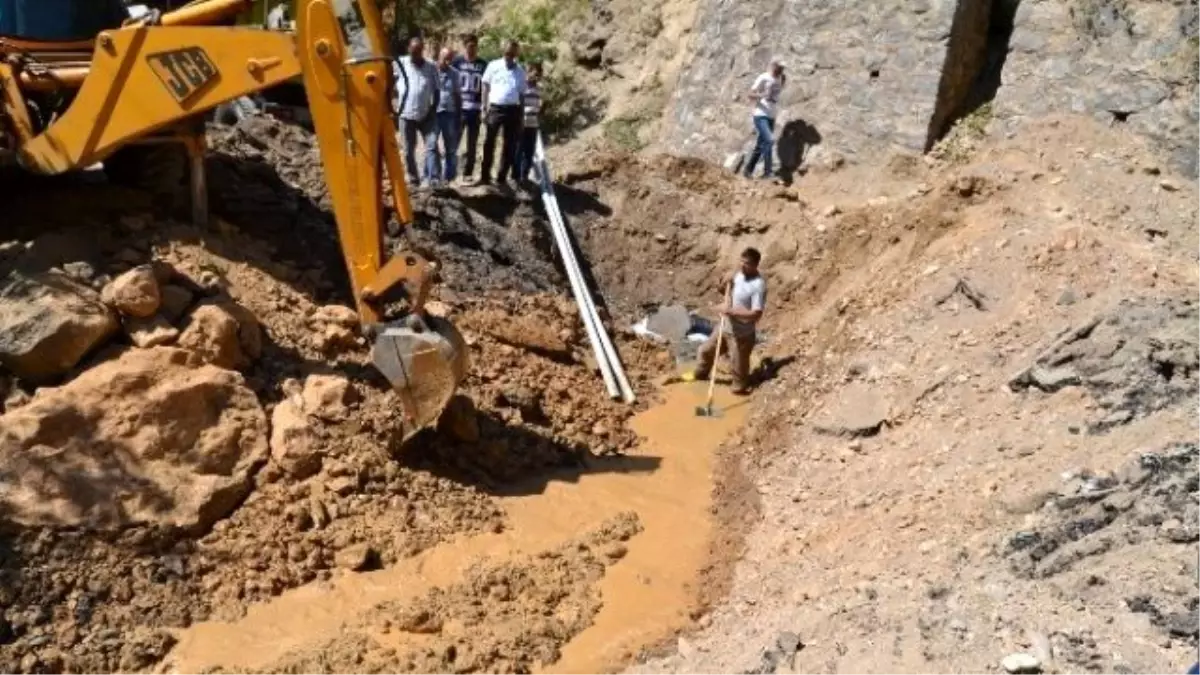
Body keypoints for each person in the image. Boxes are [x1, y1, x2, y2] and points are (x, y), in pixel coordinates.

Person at [693, 248, 767, 395]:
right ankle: (699, 377)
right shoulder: (738, 274)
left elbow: (756, 314)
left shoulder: (758, 286)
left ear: (755, 265)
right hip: (725, 326)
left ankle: (742, 382)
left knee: (738, 385)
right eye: (741, 261)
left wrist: (731, 311)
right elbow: (725, 291)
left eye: (746, 264)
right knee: (705, 351)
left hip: (742, 335)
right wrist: (723, 283)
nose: (741, 266)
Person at [479, 40, 527, 187]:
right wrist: (484, 107)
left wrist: (522, 115)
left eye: (512, 54)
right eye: (507, 53)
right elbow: (485, 85)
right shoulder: (493, 65)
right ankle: (485, 176)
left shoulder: (520, 71)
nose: (509, 56)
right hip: (495, 108)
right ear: (503, 52)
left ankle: (501, 177)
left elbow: (522, 95)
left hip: (513, 110)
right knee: (489, 142)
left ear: (516, 54)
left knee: (509, 145)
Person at [395, 37, 439, 188]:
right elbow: (387, 81)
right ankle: (414, 179)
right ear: (409, 50)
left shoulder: (431, 67)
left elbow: (437, 90)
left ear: (422, 50)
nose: (415, 55)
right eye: (413, 52)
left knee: (432, 145)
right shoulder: (400, 63)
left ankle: (433, 179)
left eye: (418, 52)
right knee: (408, 150)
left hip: (426, 114)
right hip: (406, 115)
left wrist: (433, 110)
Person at [452, 34, 489, 183]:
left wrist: (484, 108)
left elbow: (487, 86)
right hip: (460, 109)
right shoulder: (457, 62)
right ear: (464, 46)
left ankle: (468, 173)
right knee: (454, 141)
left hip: (475, 109)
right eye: (469, 46)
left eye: (474, 46)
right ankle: (450, 172)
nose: (471, 49)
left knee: (472, 144)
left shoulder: (483, 64)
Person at [743, 58, 786, 180]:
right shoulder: (764, 77)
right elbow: (750, 94)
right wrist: (761, 95)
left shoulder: (781, 78)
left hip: (771, 116)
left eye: (783, 68)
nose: (781, 70)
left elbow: (778, 92)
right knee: (770, 140)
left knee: (761, 145)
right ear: (774, 66)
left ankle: (748, 170)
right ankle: (768, 173)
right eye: (780, 67)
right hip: (760, 114)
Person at [430, 46, 462, 185]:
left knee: (450, 147)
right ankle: (432, 177)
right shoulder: (431, 70)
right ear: (439, 57)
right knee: (431, 145)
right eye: (445, 59)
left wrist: (458, 115)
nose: (448, 62)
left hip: (449, 113)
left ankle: (450, 177)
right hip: (433, 113)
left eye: (450, 59)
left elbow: (457, 94)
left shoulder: (455, 73)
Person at [515, 62, 543, 186]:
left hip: (533, 124)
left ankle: (524, 177)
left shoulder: (539, 89)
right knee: (518, 150)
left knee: (529, 152)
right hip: (521, 123)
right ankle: (516, 177)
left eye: (539, 75)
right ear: (529, 71)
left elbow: (540, 108)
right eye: (535, 74)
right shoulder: (521, 86)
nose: (537, 77)